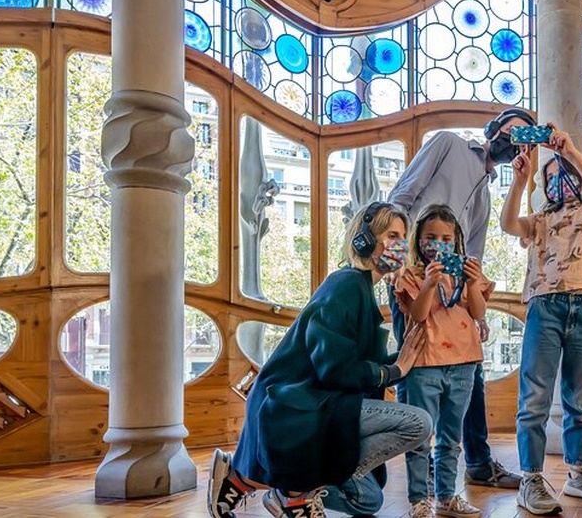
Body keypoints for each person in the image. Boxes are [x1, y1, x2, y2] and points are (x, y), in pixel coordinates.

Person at [207, 202, 433, 518]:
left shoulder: (363, 290)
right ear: (364, 239)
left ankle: (253, 483)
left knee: (368, 500)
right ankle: (293, 493)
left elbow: (361, 368)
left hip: (324, 402)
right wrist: (394, 369)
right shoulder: (346, 285)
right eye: (392, 234)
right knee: (418, 423)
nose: (400, 243)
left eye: (403, 236)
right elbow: (335, 370)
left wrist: (409, 356)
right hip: (297, 404)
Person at [386, 108, 536, 489]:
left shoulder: (485, 195)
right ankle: (423, 465)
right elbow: (401, 197)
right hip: (416, 278)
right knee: (414, 369)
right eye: (512, 130)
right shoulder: (448, 144)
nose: (513, 140)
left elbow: (474, 255)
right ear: (493, 129)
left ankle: (479, 463)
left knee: (472, 375)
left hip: (455, 294)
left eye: (523, 139)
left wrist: (477, 310)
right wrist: (395, 259)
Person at [500, 124, 582, 515]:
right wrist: (521, 181)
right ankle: (531, 479)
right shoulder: (539, 221)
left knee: (578, 398)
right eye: (550, 178)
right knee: (534, 397)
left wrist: (570, 153)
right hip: (545, 308)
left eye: (565, 175)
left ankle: (578, 474)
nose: (559, 182)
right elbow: (507, 223)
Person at [393, 204, 493, 518]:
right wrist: (428, 284)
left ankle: (448, 498)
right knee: (421, 436)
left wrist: (473, 283)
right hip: (424, 364)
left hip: (465, 364)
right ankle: (419, 501)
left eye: (446, 238)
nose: (438, 244)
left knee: (451, 437)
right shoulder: (410, 275)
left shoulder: (465, 273)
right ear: (418, 241)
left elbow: (478, 313)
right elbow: (419, 314)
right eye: (430, 237)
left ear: (456, 241)